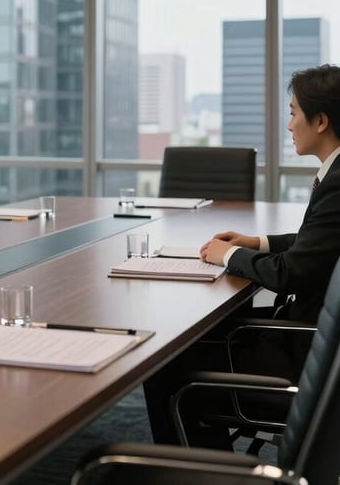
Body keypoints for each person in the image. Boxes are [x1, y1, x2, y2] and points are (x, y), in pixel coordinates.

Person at [144, 63, 340, 447]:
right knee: (195, 340)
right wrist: (256, 243)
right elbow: (315, 244)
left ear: (320, 121)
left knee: (164, 362)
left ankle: (196, 467)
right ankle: (209, 455)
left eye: (293, 113)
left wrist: (228, 254)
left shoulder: (338, 184)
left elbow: (291, 273)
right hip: (312, 340)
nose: (289, 126)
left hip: (302, 355)